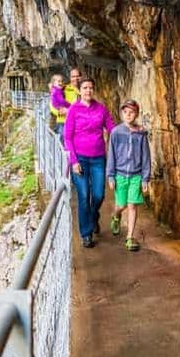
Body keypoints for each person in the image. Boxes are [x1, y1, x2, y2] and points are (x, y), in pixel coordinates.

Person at [64, 78, 115, 248]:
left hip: (98, 158)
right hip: (80, 160)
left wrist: (130, 130)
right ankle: (86, 234)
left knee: (99, 194)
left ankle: (93, 217)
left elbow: (112, 128)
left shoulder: (101, 108)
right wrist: (74, 161)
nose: (88, 91)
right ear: (79, 91)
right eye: (85, 88)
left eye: (91, 88)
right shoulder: (73, 110)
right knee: (84, 196)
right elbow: (67, 137)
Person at [107, 99, 150, 251]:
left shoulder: (141, 134)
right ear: (122, 114)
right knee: (122, 205)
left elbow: (146, 156)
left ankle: (130, 237)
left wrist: (145, 178)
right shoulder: (116, 132)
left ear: (136, 114)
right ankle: (116, 215)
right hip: (120, 174)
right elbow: (111, 155)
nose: (128, 115)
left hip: (136, 175)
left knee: (132, 205)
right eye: (125, 112)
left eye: (131, 112)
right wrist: (110, 176)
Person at [49, 68, 81, 142]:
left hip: (78, 123)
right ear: (70, 78)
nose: (75, 78)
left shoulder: (85, 90)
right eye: (73, 76)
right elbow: (52, 103)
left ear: (81, 77)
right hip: (63, 121)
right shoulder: (63, 89)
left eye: (77, 76)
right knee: (65, 147)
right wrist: (60, 112)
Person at [48, 74, 70, 138]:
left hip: (60, 111)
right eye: (59, 81)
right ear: (53, 83)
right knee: (63, 134)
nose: (61, 83)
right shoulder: (57, 91)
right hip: (59, 111)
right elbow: (61, 100)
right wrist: (70, 105)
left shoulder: (57, 90)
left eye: (62, 81)